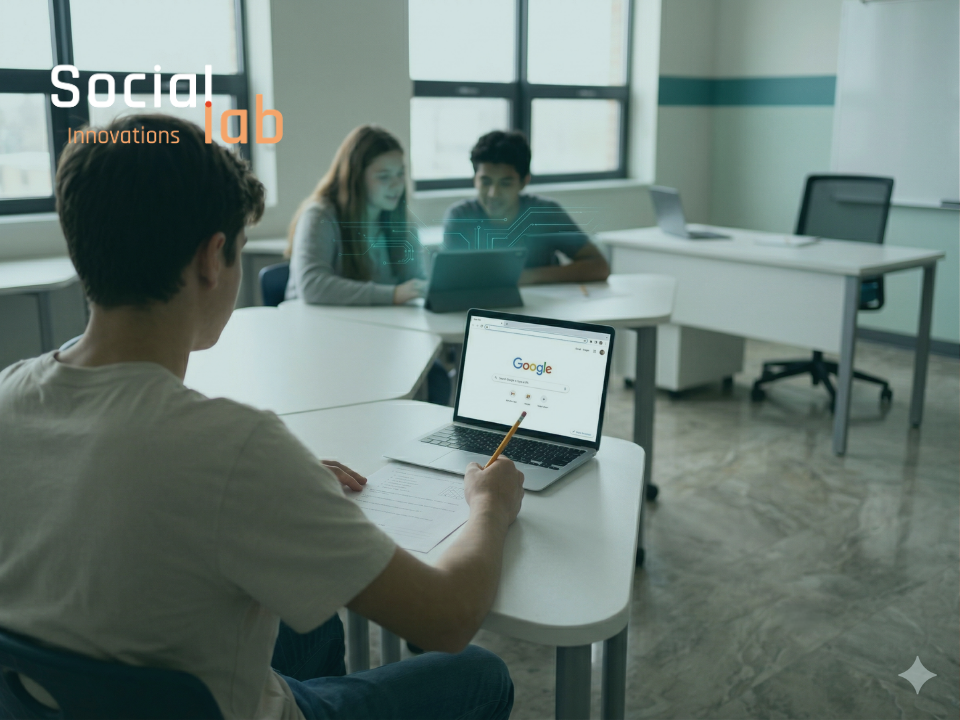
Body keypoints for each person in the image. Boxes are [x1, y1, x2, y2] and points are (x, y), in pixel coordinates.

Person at [0, 115, 521, 720]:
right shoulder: (236, 448)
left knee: (311, 618)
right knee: (481, 674)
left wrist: (284, 489)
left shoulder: (9, 394)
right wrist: (490, 505)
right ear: (212, 258)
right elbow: (449, 617)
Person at [285, 125, 450, 404]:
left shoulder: (398, 219)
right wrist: (392, 295)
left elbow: (416, 282)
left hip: (378, 337)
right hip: (324, 342)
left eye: (400, 174)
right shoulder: (321, 215)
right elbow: (312, 286)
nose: (396, 185)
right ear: (355, 178)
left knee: (435, 380)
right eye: (383, 177)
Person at [443, 130, 610, 284]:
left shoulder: (544, 212)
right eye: (486, 182)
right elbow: (449, 278)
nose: (493, 194)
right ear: (475, 180)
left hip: (542, 304)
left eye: (505, 183)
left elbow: (599, 266)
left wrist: (526, 277)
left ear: (524, 182)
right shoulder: (460, 216)